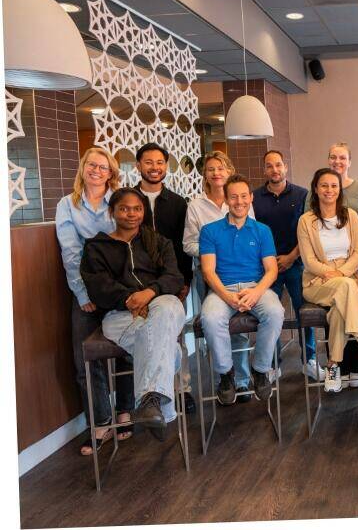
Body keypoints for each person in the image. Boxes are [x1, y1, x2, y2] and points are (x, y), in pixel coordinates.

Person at [80, 188, 186, 441]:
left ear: (143, 212)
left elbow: (174, 277)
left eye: (137, 209)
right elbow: (98, 287)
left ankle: (150, 404)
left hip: (161, 307)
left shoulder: (159, 242)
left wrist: (149, 293)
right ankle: (158, 410)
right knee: (172, 351)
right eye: (124, 209)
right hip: (119, 316)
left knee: (168, 305)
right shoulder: (96, 247)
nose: (131, 214)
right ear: (112, 212)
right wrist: (130, 299)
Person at [55, 146, 134, 456]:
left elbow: (128, 244)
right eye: (92, 165)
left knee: (127, 349)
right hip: (86, 292)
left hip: (120, 289)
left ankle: (125, 410)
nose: (97, 171)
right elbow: (71, 252)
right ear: (83, 167)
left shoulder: (119, 200)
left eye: (103, 167)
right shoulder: (68, 205)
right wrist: (82, 293)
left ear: (111, 172)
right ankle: (100, 422)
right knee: (85, 359)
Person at [298, 168, 358, 392]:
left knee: (338, 310)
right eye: (324, 185)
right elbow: (309, 261)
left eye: (334, 185)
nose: (329, 190)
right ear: (315, 189)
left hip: (347, 275)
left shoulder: (351, 216)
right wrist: (334, 273)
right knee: (348, 287)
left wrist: (341, 273)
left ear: (340, 189)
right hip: (317, 281)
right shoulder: (306, 220)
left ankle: (333, 365)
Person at [199, 174, 285, 405]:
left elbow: (271, 270)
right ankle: (226, 374)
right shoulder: (209, 231)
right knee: (210, 318)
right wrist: (228, 296)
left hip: (255, 287)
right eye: (234, 197)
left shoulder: (262, 230)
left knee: (275, 312)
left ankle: (260, 370)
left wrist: (256, 293)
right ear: (226, 199)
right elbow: (208, 271)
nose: (239, 202)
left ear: (251, 198)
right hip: (222, 290)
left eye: (244, 196)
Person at [182, 151, 253, 398]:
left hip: (240, 273)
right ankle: (224, 380)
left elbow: (251, 234)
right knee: (215, 326)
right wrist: (214, 250)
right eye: (211, 169)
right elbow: (188, 244)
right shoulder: (196, 206)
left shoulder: (242, 201)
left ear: (229, 171)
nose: (216, 173)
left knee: (239, 328)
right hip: (209, 276)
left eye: (221, 168)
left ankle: (242, 379)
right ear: (205, 175)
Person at [134, 142, 196, 415]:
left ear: (166, 166)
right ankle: (150, 395)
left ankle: (182, 389)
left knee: (176, 334)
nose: (154, 167)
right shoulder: (129, 201)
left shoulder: (178, 203)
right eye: (148, 162)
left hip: (172, 280)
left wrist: (185, 281)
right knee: (146, 334)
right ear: (138, 165)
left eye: (159, 162)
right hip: (139, 283)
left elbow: (184, 246)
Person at [252, 150, 320, 379]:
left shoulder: (302, 195)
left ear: (285, 167)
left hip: (297, 264)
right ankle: (273, 364)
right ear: (264, 170)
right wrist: (271, 261)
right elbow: (254, 234)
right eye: (269, 166)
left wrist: (291, 257)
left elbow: (309, 232)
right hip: (266, 268)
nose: (275, 169)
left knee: (305, 313)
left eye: (278, 165)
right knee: (270, 316)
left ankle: (309, 360)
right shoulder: (254, 198)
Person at [323, 142, 358, 388]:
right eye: (333, 157)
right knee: (335, 308)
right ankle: (340, 367)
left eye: (342, 157)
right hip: (327, 265)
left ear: (350, 161)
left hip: (357, 259)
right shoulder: (319, 189)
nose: (338, 161)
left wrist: (350, 245)